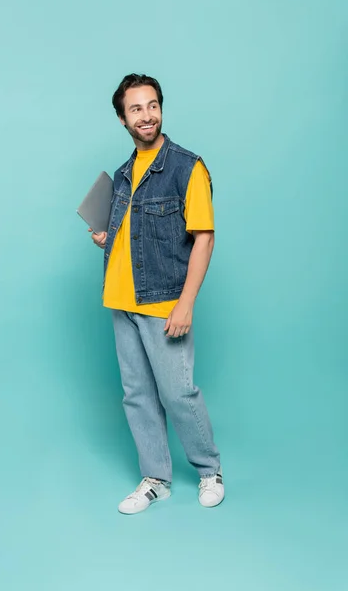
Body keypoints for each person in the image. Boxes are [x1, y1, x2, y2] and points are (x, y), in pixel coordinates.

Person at [89, 73, 224, 515]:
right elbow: (138, 235)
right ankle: (156, 478)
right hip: (121, 299)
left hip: (163, 301)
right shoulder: (125, 171)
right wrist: (107, 237)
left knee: (178, 392)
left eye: (152, 105)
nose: (146, 115)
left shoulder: (187, 166)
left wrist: (186, 303)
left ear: (160, 109)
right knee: (137, 394)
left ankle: (209, 470)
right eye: (136, 109)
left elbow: (203, 237)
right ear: (123, 119)